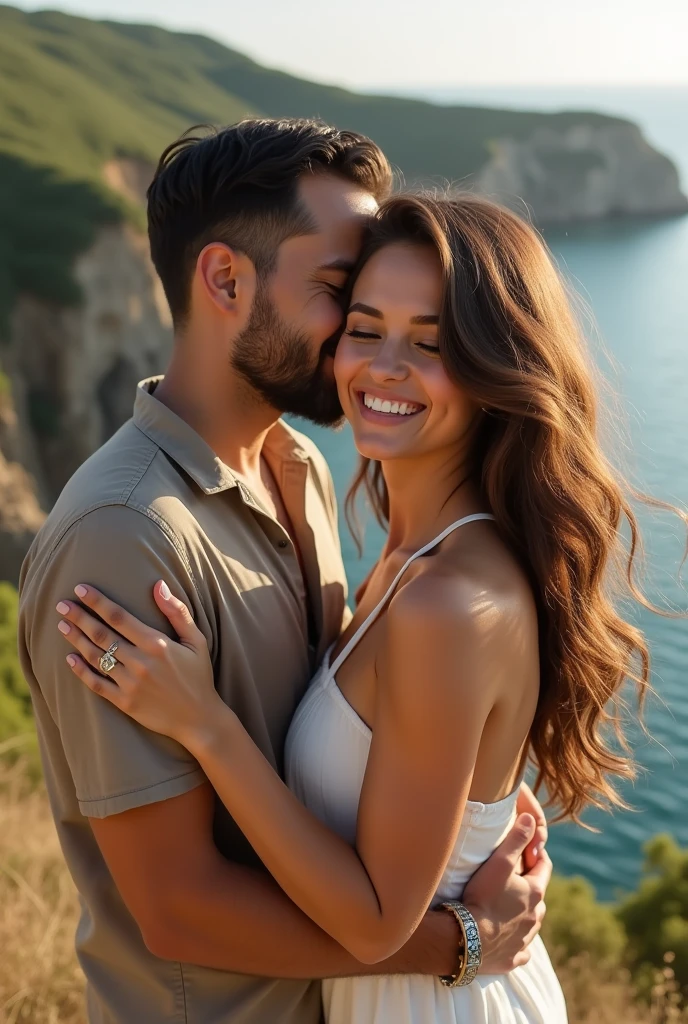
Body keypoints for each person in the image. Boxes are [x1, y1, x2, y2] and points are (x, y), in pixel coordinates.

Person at [53, 187, 667, 1023]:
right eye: (365, 328)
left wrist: (207, 727)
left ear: (498, 369)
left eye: (432, 344)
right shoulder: (408, 552)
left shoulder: (445, 598)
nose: (384, 367)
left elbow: (379, 921)